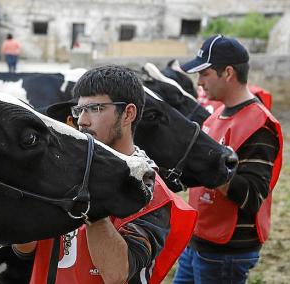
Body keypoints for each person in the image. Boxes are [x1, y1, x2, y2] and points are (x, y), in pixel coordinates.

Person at [14, 65, 197, 284]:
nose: (82, 121)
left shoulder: (152, 192)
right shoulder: (62, 170)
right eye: (79, 110)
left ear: (128, 113)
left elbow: (117, 274)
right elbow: (24, 249)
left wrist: (89, 191)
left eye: (96, 108)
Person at [173, 35, 283, 284]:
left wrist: (211, 168)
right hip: (199, 241)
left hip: (225, 252)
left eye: (205, 74)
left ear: (228, 73)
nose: (199, 83)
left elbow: (253, 196)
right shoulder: (215, 117)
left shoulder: (259, 126)